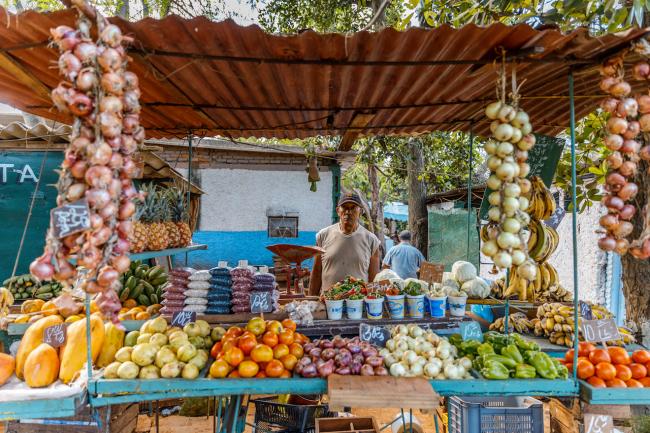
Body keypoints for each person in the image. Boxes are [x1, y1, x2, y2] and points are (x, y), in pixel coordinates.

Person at [309, 192, 380, 295]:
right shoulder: (323, 235)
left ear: (361, 211)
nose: (348, 212)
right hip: (329, 303)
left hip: (358, 304)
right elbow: (316, 273)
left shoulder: (372, 240)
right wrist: (312, 301)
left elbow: (374, 280)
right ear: (338, 211)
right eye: (345, 207)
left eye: (353, 208)